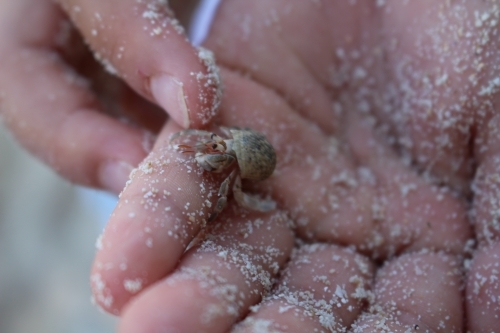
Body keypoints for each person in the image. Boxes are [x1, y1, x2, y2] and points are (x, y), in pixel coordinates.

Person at [1, 0, 499, 332]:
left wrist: (249, 199)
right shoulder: (222, 143)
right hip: (189, 92)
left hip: (243, 145)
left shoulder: (236, 160)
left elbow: (236, 186)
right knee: (157, 226)